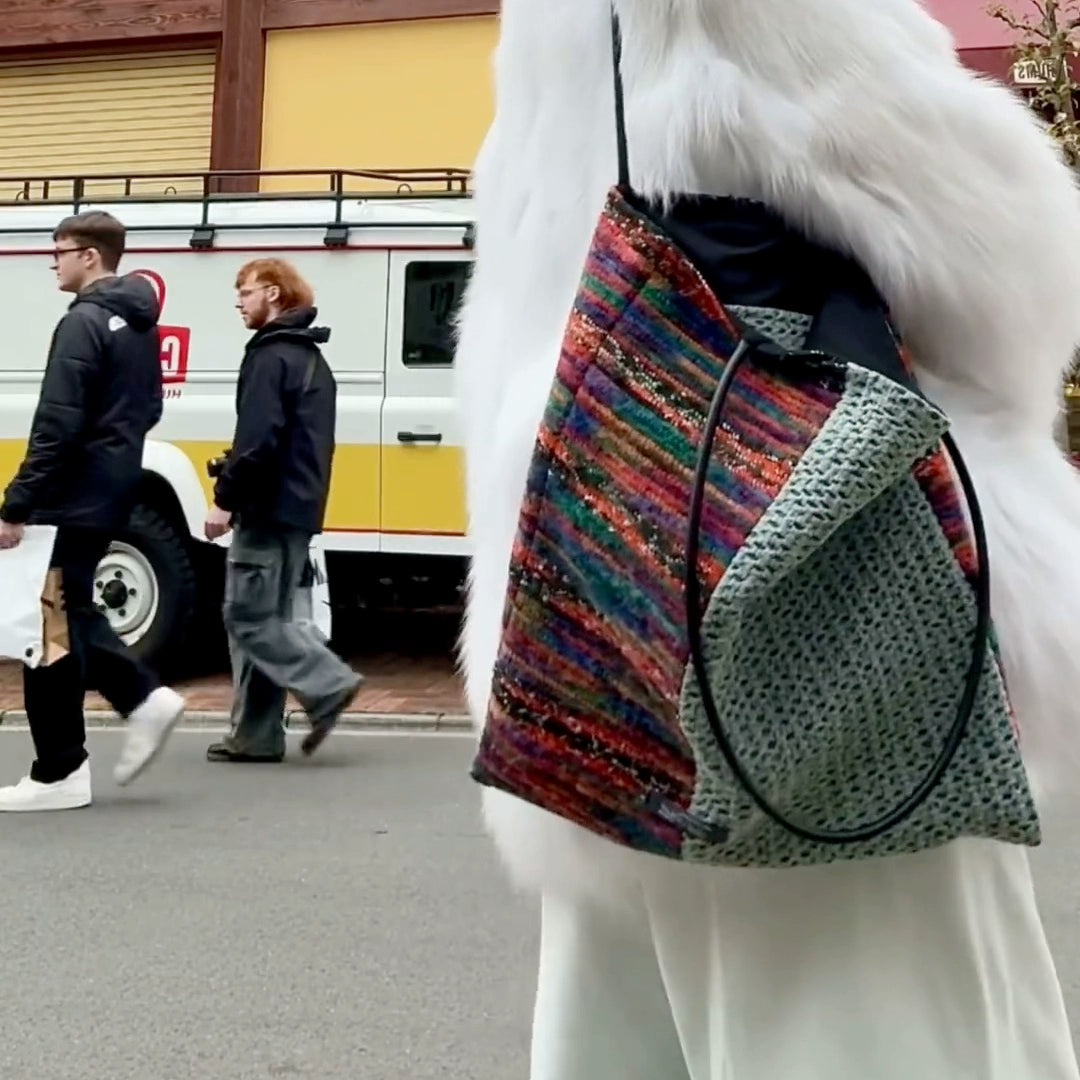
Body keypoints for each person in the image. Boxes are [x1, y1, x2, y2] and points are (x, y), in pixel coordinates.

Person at [455, 1, 1080, 1077]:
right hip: (810, 570)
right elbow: (978, 246)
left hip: (603, 563)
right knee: (876, 1001)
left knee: (629, 1012)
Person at [0, 210, 185, 811]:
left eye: (59, 251)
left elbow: (56, 421)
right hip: (111, 491)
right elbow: (148, 407)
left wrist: (17, 501)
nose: (52, 262)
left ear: (90, 256)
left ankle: (61, 769)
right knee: (70, 611)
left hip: (67, 499)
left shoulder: (82, 324)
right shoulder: (137, 325)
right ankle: (128, 711)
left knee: (46, 627)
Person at [204, 258, 362, 764]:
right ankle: (254, 735)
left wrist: (224, 499)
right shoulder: (311, 358)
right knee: (266, 620)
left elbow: (259, 442)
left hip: (267, 507)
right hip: (299, 508)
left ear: (273, 294)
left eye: (245, 292)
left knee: (247, 617)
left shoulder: (271, 357)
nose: (237, 302)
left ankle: (329, 685)